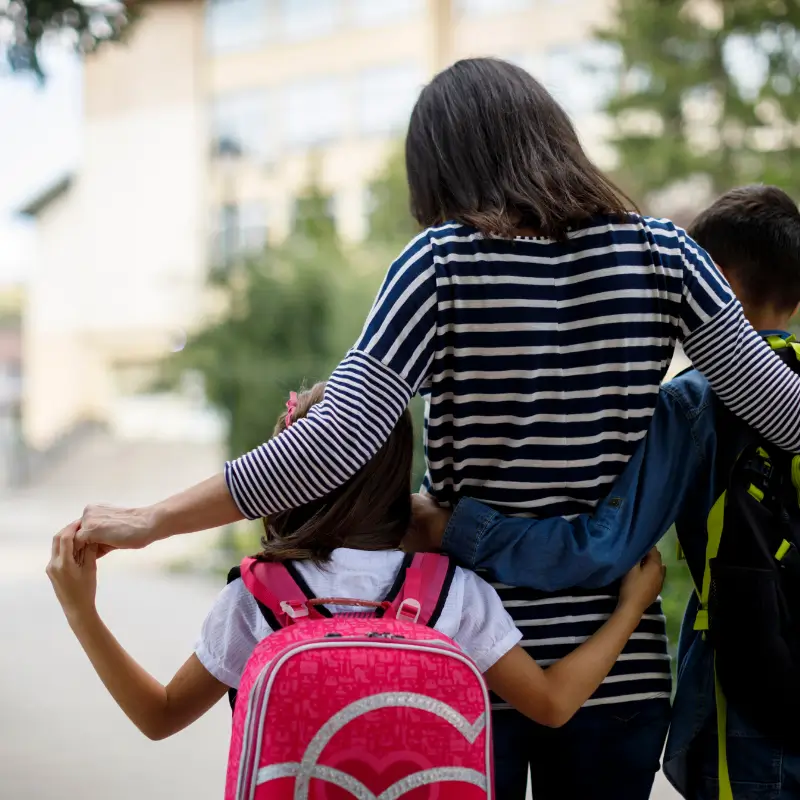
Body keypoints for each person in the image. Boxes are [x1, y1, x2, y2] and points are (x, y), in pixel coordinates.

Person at [74, 59, 800, 797]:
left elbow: (332, 443)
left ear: (445, 167)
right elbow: (785, 413)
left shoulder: (440, 266)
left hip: (464, 660)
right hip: (616, 669)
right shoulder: (666, 256)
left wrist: (153, 518)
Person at [411, 185, 800, 799]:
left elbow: (603, 546)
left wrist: (452, 527)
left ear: (713, 282)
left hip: (744, 693)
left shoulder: (694, 404)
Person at [46, 382, 666, 750]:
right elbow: (554, 704)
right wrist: (630, 609)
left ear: (285, 475)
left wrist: (81, 610)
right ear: (399, 473)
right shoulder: (453, 593)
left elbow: (158, 717)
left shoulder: (256, 599)